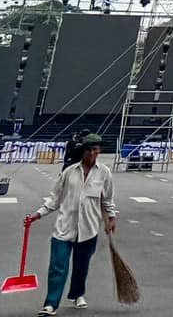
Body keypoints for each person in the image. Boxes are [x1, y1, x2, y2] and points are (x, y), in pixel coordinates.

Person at [29, 133, 116, 315]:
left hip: (89, 228)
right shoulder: (69, 172)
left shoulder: (104, 173)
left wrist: (111, 218)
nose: (93, 154)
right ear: (83, 152)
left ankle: (78, 294)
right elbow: (54, 199)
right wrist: (38, 214)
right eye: (90, 150)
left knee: (81, 265)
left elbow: (107, 199)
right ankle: (51, 303)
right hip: (64, 227)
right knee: (58, 266)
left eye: (96, 151)